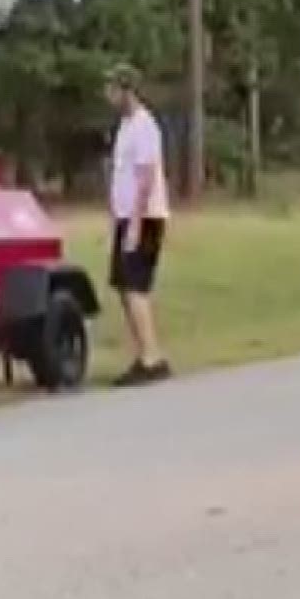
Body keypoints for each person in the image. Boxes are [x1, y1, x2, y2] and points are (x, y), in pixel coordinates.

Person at [104, 65, 172, 385]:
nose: (108, 95)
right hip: (126, 217)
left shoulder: (145, 126)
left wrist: (134, 225)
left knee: (136, 286)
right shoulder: (125, 126)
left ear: (126, 91)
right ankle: (144, 352)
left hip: (144, 218)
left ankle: (151, 357)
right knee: (123, 286)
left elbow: (145, 180)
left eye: (112, 89)